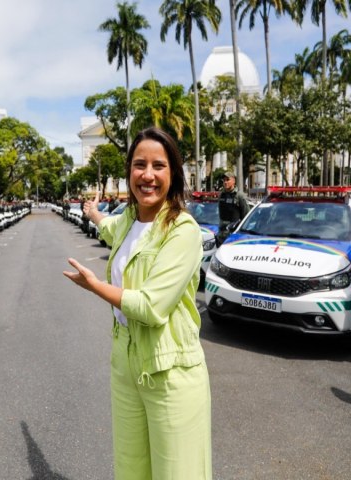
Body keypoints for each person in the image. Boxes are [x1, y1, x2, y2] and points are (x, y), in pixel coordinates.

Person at [63, 127, 211, 479]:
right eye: (139, 164)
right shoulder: (129, 219)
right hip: (126, 364)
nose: (148, 175)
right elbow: (112, 229)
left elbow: (150, 307)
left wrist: (95, 286)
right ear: (128, 170)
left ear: (173, 173)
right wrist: (95, 215)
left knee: (178, 473)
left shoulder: (182, 230)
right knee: (131, 470)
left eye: (158, 165)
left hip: (170, 371)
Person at [217, 171, 249, 245]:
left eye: (227, 180)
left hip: (234, 235)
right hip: (221, 234)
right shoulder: (222, 194)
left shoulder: (240, 196)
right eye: (224, 180)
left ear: (234, 181)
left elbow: (246, 216)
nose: (225, 182)